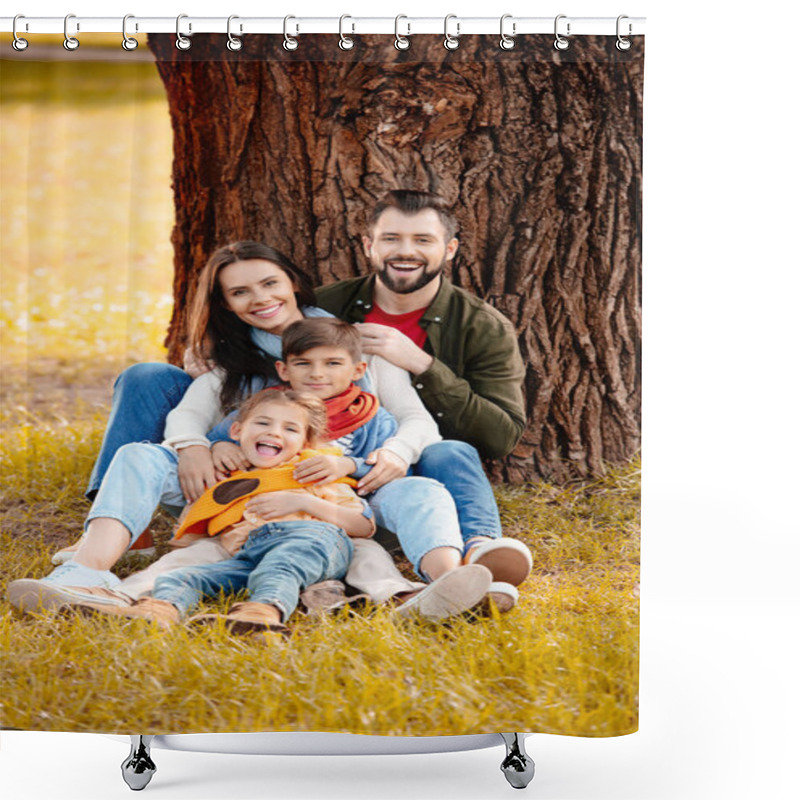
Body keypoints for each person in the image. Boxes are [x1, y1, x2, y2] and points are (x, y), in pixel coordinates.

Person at [62, 389, 382, 637]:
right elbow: (194, 536)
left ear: (305, 442)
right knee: (182, 575)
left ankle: (261, 613)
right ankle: (157, 610)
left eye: (289, 428)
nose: (274, 433)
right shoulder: (227, 482)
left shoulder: (311, 475)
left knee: (282, 565)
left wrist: (303, 503)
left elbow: (363, 526)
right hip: (246, 553)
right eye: (263, 423)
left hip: (313, 540)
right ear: (237, 430)